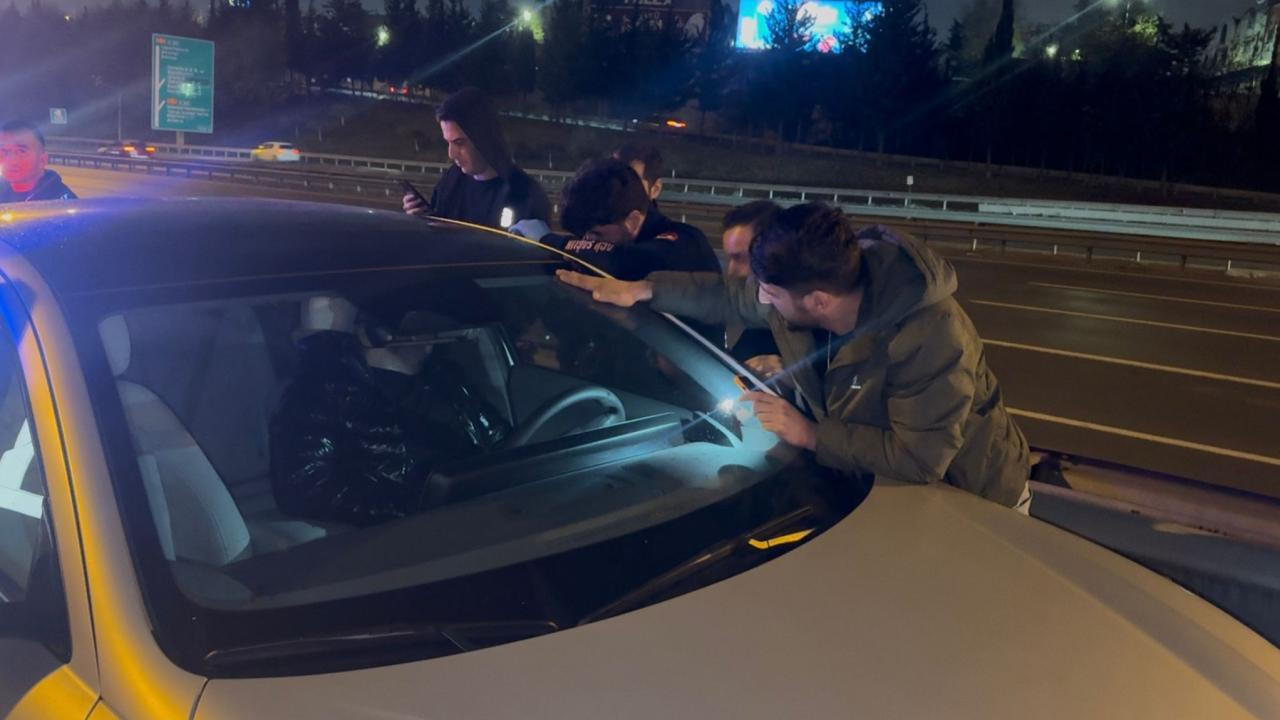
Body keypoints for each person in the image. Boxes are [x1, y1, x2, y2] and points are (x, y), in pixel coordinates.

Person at [556, 203, 1032, 510]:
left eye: (770, 292)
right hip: (881, 490)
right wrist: (643, 290)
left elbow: (918, 458)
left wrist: (808, 433)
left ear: (818, 302)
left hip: (973, 500)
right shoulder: (813, 287)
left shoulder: (930, 335)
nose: (760, 298)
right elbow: (728, 297)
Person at [270, 296, 510, 526]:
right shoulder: (323, 396)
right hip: (417, 543)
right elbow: (304, 488)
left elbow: (506, 447)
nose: (429, 332)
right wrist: (424, 509)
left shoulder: (449, 381)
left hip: (497, 525)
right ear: (373, 331)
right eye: (414, 319)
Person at [531, 157, 720, 281]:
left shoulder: (684, 243)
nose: (588, 242)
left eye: (597, 234)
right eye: (583, 235)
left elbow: (622, 261)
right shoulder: (626, 239)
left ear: (633, 221)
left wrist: (547, 240)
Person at [402, 87, 550, 229]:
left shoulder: (525, 195)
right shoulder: (450, 180)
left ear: (484, 138)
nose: (451, 154)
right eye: (448, 142)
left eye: (459, 143)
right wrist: (422, 220)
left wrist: (459, 234)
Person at [719, 200, 781, 364]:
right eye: (729, 258)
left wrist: (792, 370)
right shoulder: (752, 315)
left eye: (739, 258)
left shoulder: (813, 321)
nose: (731, 270)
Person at [0, 121, 76, 203]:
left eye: (21, 151)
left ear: (42, 160)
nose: (11, 160)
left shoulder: (62, 203)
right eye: (4, 150)